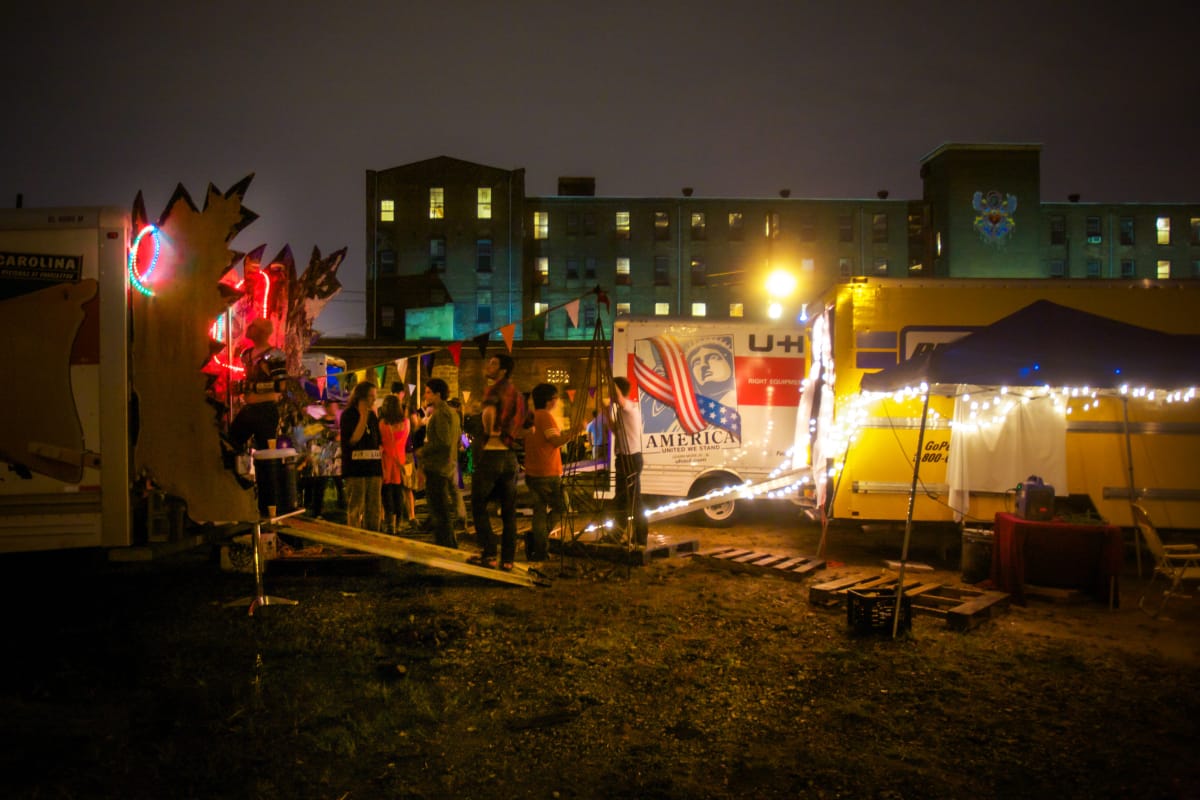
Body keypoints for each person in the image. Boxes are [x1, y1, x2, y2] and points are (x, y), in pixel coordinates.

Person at [469, 353, 526, 571]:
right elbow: (525, 427)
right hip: (510, 457)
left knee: (478, 502)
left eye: (493, 363)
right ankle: (508, 560)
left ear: (502, 370)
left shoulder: (495, 390)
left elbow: (488, 414)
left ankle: (490, 552)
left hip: (492, 453)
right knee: (509, 511)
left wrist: (491, 431)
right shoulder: (519, 396)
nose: (488, 366)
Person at [524, 383, 581, 561]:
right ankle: (537, 541)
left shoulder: (531, 417)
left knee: (539, 511)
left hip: (532, 471)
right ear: (551, 401)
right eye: (556, 398)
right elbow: (555, 441)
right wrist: (574, 432)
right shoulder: (546, 417)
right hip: (547, 471)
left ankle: (539, 549)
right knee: (561, 507)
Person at [229, 317, 287, 451]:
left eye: (252, 326)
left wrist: (250, 387)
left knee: (266, 453)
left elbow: (281, 386)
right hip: (249, 408)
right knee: (230, 444)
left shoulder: (275, 355)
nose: (248, 328)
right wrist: (240, 387)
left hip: (266, 410)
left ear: (261, 331)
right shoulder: (246, 354)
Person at [418, 378, 460, 549]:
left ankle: (446, 545)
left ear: (438, 394)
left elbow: (443, 441)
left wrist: (423, 450)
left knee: (439, 509)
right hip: (446, 464)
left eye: (428, 392)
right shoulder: (451, 413)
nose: (425, 395)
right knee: (441, 507)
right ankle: (448, 542)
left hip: (438, 465)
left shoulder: (442, 413)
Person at [609, 376, 648, 546]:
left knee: (633, 500)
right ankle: (616, 536)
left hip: (630, 458)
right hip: (624, 458)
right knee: (622, 499)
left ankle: (640, 538)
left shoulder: (628, 408)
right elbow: (616, 431)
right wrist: (605, 412)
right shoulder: (622, 410)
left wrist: (609, 380)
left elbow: (618, 397)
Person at [340, 381, 382, 531]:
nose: (373, 400)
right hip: (356, 469)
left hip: (373, 468)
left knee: (374, 506)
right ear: (361, 397)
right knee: (357, 506)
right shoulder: (348, 415)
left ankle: (373, 537)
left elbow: (378, 442)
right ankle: (355, 539)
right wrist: (363, 416)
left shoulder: (373, 417)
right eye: (371, 396)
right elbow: (353, 439)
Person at [379, 393, 415, 534]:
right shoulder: (406, 423)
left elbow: (382, 442)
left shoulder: (382, 424)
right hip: (400, 461)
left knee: (386, 493)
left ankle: (390, 523)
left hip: (386, 462)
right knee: (398, 493)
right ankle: (399, 522)